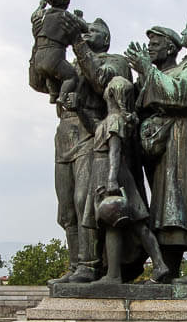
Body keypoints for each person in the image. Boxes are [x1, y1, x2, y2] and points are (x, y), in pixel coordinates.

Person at [126, 14, 187, 285]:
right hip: (173, 141)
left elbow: (179, 94)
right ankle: (167, 269)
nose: (184, 31)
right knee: (170, 206)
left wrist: (147, 68)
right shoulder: (186, 64)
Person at [49, 16, 132, 284]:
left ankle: (89, 264)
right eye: (83, 31)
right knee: (66, 210)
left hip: (91, 134)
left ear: (105, 38)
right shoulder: (74, 62)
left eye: (92, 32)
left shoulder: (116, 61)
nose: (86, 34)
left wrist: (76, 42)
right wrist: (45, 36)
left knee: (83, 199)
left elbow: (100, 80)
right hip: (64, 136)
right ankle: (74, 266)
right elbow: (42, 80)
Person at [86, 76, 171, 284]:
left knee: (114, 222)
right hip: (107, 171)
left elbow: (114, 151)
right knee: (137, 224)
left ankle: (113, 275)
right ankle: (160, 265)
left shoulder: (114, 120)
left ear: (113, 94)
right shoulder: (112, 119)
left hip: (111, 171)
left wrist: (112, 179)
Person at [28, 0, 88, 105]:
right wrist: (79, 18)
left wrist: (40, 5)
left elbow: (33, 16)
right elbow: (85, 27)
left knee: (49, 74)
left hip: (38, 59)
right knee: (71, 76)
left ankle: (53, 94)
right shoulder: (66, 16)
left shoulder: (42, 15)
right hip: (54, 56)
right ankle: (61, 96)